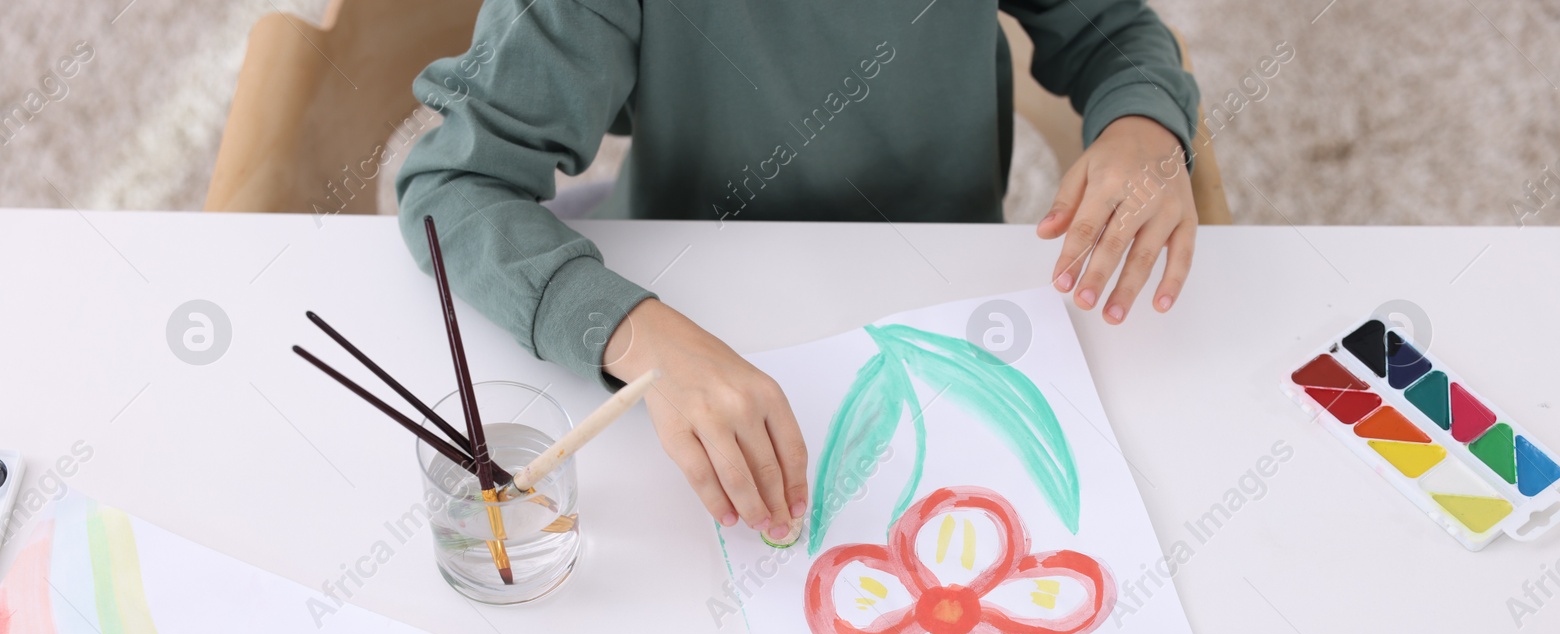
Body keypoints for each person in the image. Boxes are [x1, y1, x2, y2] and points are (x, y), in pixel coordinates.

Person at [397, 0, 1200, 545]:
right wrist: (631, 332)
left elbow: (1113, 33)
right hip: (678, 301)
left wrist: (1143, 118)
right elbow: (454, 183)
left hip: (942, 302)